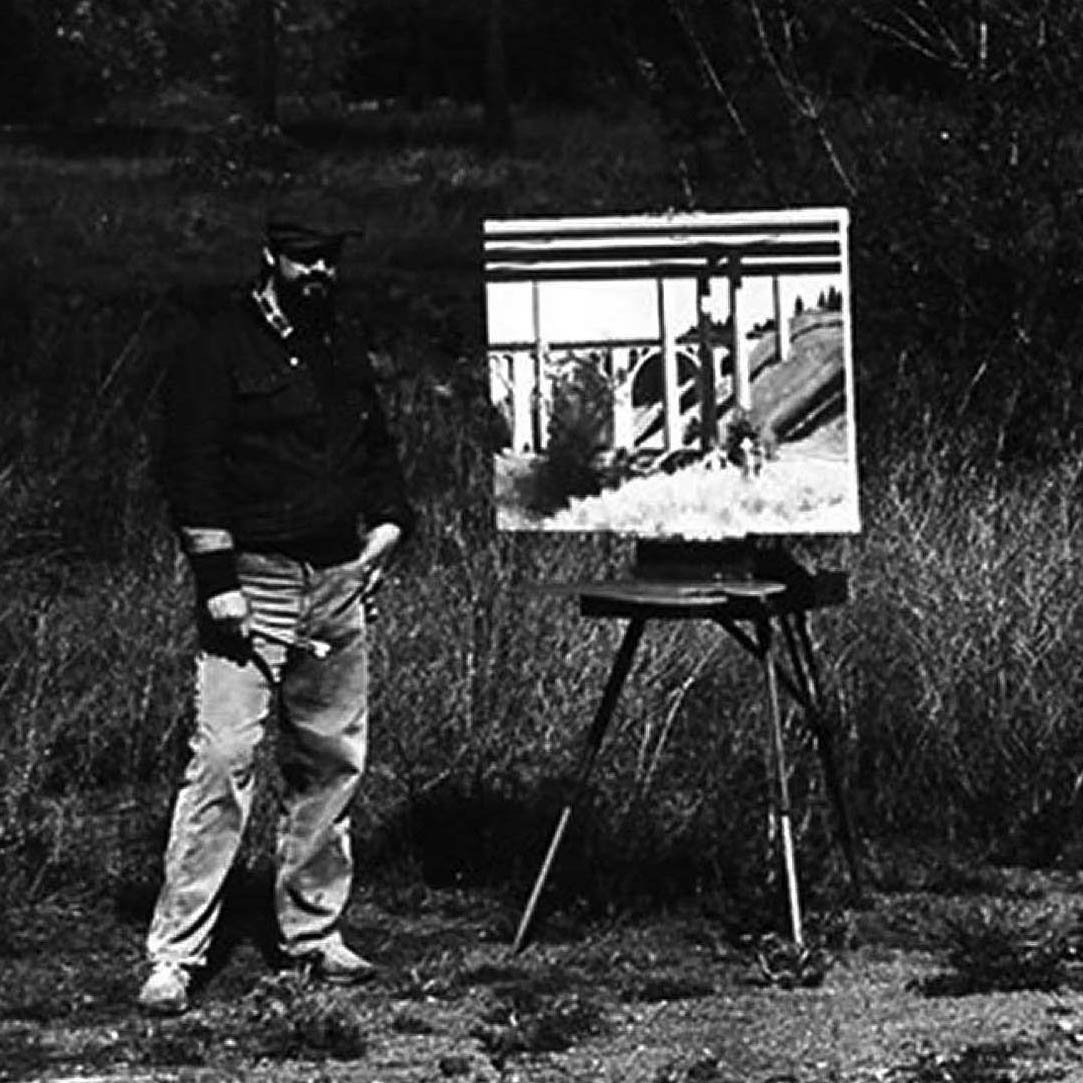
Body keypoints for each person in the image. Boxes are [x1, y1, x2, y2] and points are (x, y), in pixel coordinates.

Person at [138, 197, 415, 1015]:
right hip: (250, 582)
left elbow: (373, 445)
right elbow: (190, 465)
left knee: (331, 760)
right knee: (223, 758)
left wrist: (393, 519)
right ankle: (176, 953)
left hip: (337, 580)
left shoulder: (340, 339)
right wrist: (216, 576)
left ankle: (313, 934)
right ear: (270, 256)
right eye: (304, 256)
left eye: (329, 255)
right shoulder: (214, 344)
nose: (319, 270)